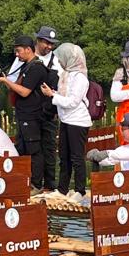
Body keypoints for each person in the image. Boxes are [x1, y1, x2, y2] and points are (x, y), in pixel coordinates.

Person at [0, 36, 50, 195]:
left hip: (33, 116)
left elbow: (24, 92)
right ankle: (25, 181)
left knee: (34, 151)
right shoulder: (26, 66)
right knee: (22, 149)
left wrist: (6, 81)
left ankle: (37, 185)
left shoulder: (37, 68)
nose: (17, 55)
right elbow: (18, 87)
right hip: (23, 115)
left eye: (18, 51)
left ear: (28, 49)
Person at [39, 43, 90, 201]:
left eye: (62, 58)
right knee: (64, 156)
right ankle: (62, 189)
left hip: (78, 122)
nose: (59, 61)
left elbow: (73, 102)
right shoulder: (66, 75)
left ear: (70, 59)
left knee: (76, 157)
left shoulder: (81, 78)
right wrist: (52, 92)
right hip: (66, 120)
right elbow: (64, 96)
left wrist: (52, 96)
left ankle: (80, 191)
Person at [34, 26, 61, 192]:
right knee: (33, 149)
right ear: (38, 40)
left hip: (49, 112)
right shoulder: (26, 57)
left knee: (50, 149)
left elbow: (63, 84)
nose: (49, 47)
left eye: (52, 44)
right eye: (46, 43)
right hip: (31, 113)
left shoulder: (57, 61)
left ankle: (50, 185)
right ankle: (35, 184)